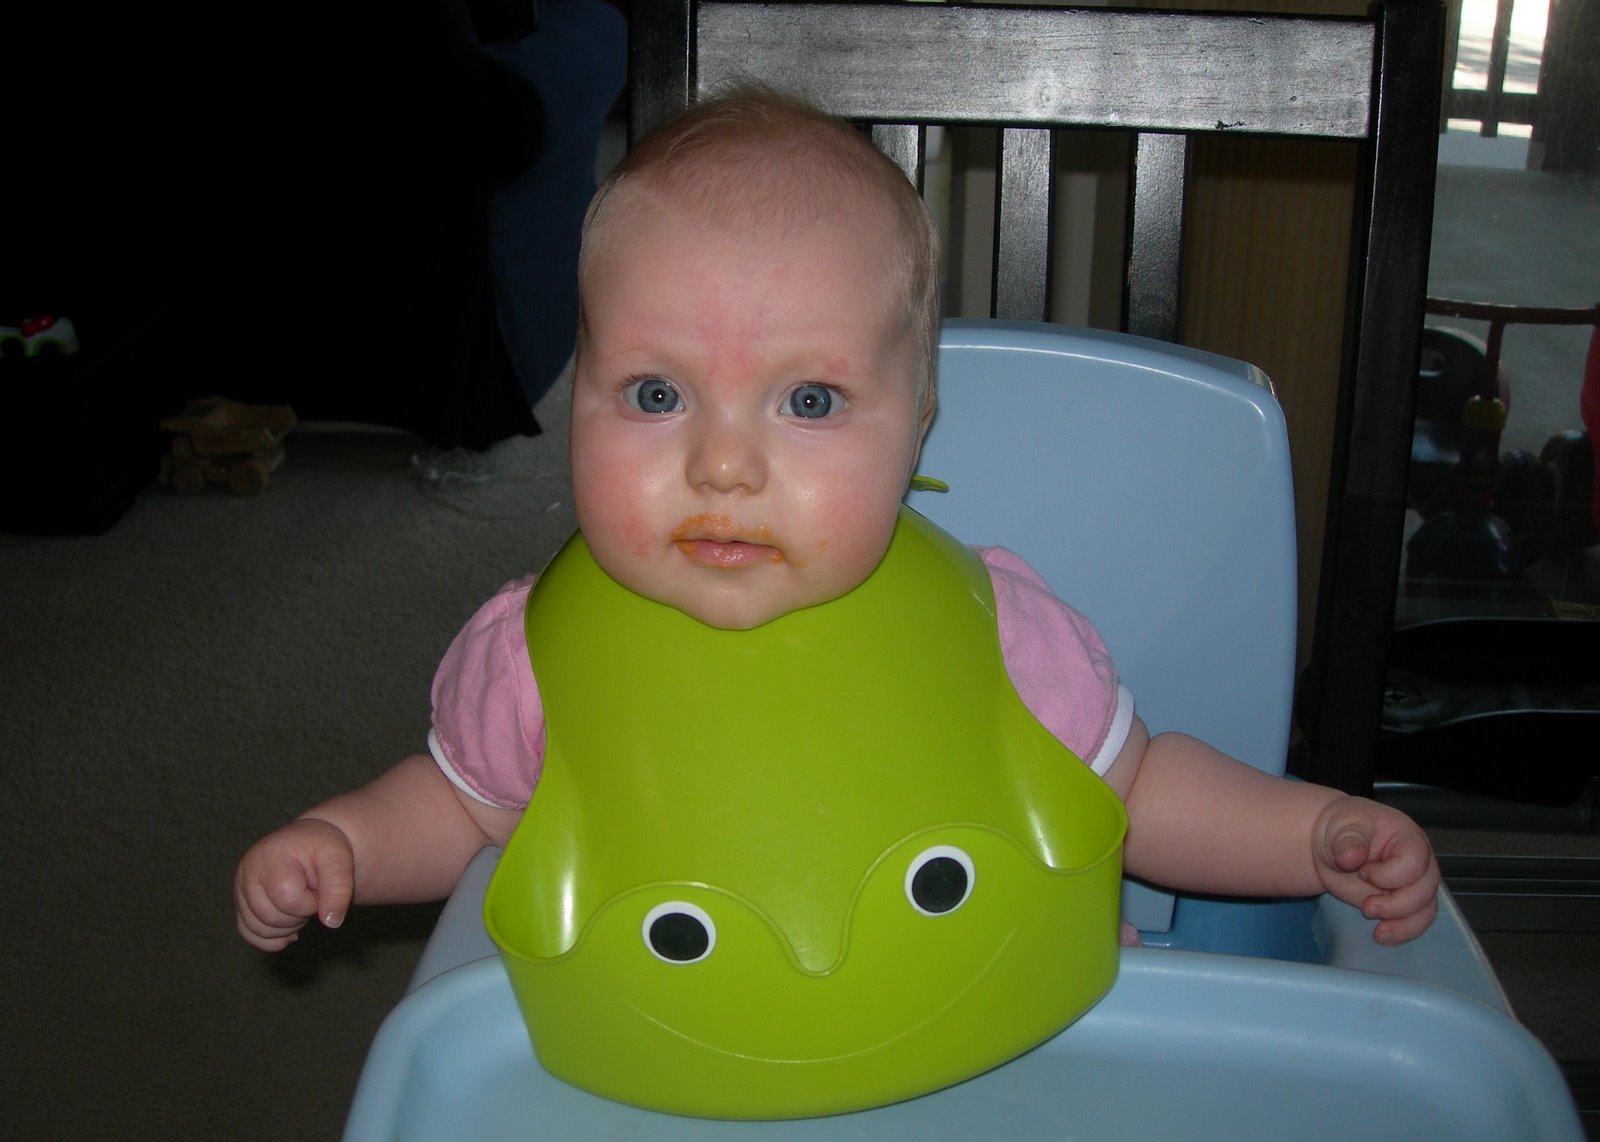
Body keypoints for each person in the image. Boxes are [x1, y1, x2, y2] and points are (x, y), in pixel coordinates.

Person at [235, 87, 1439, 955]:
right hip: (659, 1060)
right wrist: (342, 842)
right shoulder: (535, 661)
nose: (721, 463)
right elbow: (458, 806)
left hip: (975, 1030)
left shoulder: (993, 639)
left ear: (917, 425)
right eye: (654, 394)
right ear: (575, 395)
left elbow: (1137, 793)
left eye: (807, 401)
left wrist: (1312, 831)